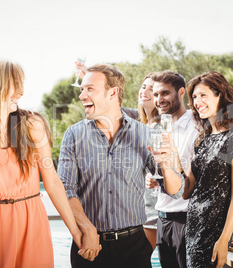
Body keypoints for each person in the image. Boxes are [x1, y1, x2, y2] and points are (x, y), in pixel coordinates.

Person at [0, 60, 82, 267]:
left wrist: (74, 230)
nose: (21, 92)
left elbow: (52, 181)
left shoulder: (33, 124)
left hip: (31, 221)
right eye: (15, 83)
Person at [58, 64, 184, 268]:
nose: (82, 96)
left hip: (134, 249)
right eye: (82, 89)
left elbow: (176, 191)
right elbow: (65, 189)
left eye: (90, 89)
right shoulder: (73, 135)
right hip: (88, 246)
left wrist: (167, 165)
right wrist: (87, 228)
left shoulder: (145, 134)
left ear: (113, 93)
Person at [157, 71, 233, 268]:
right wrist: (173, 159)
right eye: (194, 97)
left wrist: (224, 239)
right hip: (192, 232)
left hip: (214, 234)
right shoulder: (204, 138)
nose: (197, 102)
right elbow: (187, 192)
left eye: (203, 95)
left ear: (220, 96)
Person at [145, 70, 199, 268]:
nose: (159, 99)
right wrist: (155, 179)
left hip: (186, 221)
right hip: (163, 219)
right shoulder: (162, 129)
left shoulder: (197, 126)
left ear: (181, 92)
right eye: (156, 94)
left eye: (165, 93)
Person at [137, 73, 160, 250]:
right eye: (144, 86)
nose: (145, 91)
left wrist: (158, 180)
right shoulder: (140, 126)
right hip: (141, 209)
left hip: (156, 209)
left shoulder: (164, 126)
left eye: (151, 89)